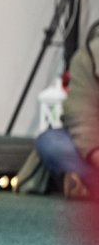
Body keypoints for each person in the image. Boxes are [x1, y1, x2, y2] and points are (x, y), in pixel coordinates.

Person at [17, 22, 99, 199]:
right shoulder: (89, 56)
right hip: (94, 147)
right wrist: (94, 153)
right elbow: (81, 117)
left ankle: (89, 185)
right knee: (51, 142)